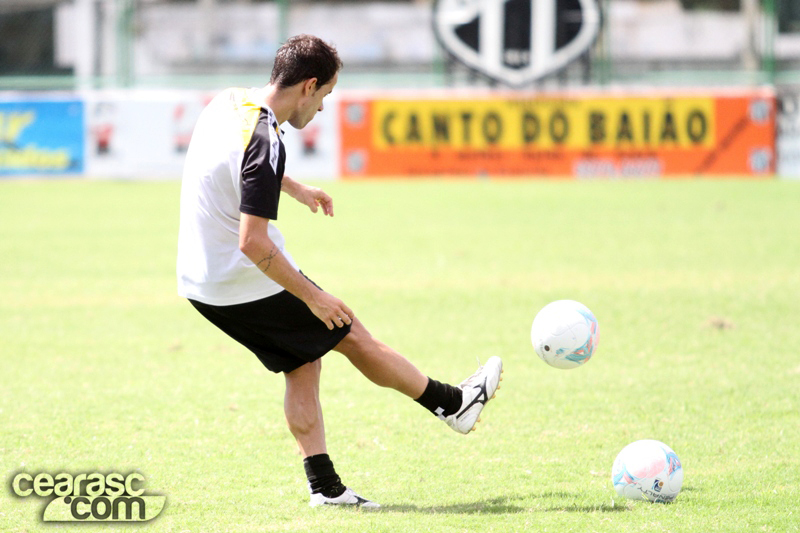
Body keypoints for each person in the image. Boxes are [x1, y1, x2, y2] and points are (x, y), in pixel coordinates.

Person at [176, 34, 503, 509]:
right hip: (242, 278)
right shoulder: (266, 142)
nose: (324, 108)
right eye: (326, 95)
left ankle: (325, 488)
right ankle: (453, 404)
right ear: (308, 86)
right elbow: (253, 242)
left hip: (200, 279)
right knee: (348, 331)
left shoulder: (228, 102)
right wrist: (312, 296)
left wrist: (293, 187)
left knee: (303, 361)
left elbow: (234, 167)